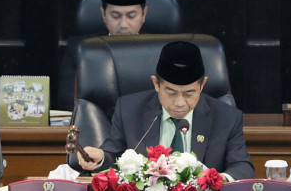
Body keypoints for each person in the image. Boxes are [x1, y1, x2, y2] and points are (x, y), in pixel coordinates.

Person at [77, 40, 255, 181]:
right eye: (171, 93)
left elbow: (242, 167)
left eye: (189, 93)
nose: (180, 103)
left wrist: (215, 181)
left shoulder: (227, 117)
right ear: (156, 84)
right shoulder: (130, 110)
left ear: (202, 85)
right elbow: (113, 156)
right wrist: (100, 158)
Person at [57, 0, 149, 110]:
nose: (123, 24)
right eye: (115, 16)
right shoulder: (81, 48)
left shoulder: (160, 48)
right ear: (103, 14)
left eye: (131, 16)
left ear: (144, 14)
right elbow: (66, 97)